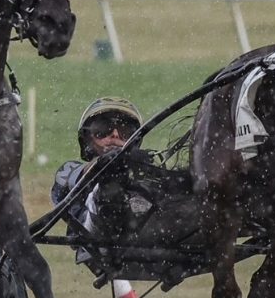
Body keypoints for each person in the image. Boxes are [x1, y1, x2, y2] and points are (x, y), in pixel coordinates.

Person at [52, 97, 198, 256]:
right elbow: (81, 176)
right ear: (87, 139)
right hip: (95, 240)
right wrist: (110, 163)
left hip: (149, 237)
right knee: (110, 187)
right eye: (103, 129)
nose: (115, 134)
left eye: (125, 131)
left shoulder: (145, 173)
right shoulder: (68, 170)